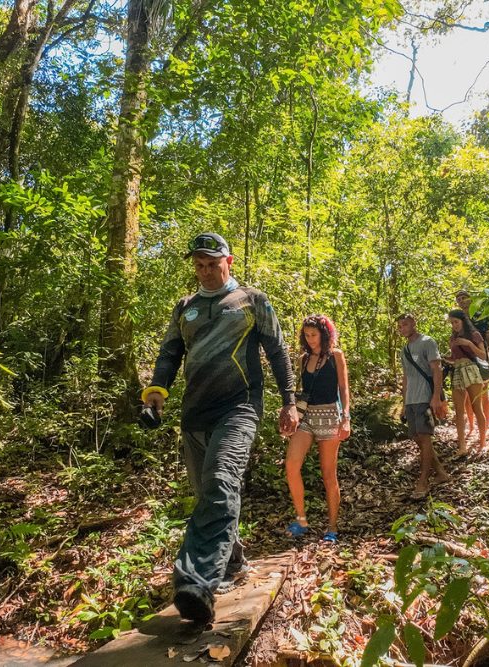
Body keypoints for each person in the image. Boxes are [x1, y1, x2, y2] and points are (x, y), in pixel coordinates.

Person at [142, 232, 298, 626]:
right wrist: (157, 390)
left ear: (229, 261)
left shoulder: (251, 300)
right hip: (195, 413)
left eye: (213, 263)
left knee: (221, 480)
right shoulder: (186, 307)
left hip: (239, 407)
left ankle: (196, 582)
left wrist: (289, 401)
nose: (206, 271)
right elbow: (169, 353)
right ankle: (232, 562)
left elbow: (277, 351)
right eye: (199, 265)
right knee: (208, 493)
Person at [284, 315, 351, 543]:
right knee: (292, 465)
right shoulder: (303, 359)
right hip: (307, 416)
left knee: (328, 474)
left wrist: (346, 418)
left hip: (330, 416)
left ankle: (332, 526)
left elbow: (343, 388)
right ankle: (301, 519)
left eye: (314, 334)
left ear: (324, 334)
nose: (310, 339)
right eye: (307, 335)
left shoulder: (336, 356)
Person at [396, 313, 451, 498]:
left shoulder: (427, 342)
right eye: (400, 326)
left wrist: (435, 397)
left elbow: (437, 369)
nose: (402, 328)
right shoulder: (404, 350)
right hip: (411, 399)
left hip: (424, 397)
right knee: (417, 438)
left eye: (405, 324)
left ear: (414, 323)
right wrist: (404, 403)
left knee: (425, 437)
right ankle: (441, 473)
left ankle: (423, 481)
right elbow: (405, 377)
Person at [447, 309, 489, 456]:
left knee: (476, 407)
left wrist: (469, 344)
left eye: (456, 322)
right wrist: (443, 359)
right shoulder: (453, 338)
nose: (454, 325)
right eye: (452, 323)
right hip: (457, 371)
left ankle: (482, 442)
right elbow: (454, 358)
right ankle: (462, 447)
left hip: (471, 370)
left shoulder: (474, 334)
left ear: (463, 321)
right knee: (458, 411)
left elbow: (483, 355)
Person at [455, 290, 489, 445]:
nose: (461, 301)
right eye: (459, 299)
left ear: (470, 299)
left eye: (463, 298)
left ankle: (486, 426)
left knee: (483, 392)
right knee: (467, 393)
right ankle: (471, 426)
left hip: (481, 358)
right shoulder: (458, 319)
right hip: (465, 361)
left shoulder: (480, 315)